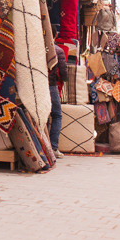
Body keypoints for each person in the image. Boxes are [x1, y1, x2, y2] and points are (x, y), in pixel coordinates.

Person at [48, 24, 66, 159]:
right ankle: (53, 147)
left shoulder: (37, 48)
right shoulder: (58, 51)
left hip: (38, 84)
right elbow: (64, 72)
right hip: (51, 85)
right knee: (57, 115)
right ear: (55, 35)